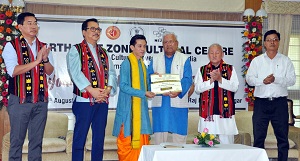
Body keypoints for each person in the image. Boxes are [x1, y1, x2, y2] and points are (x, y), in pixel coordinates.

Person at [2, 12, 54, 161]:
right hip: (19, 101)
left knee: (36, 142)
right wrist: (36, 61)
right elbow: (13, 71)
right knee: (17, 141)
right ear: (20, 27)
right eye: (29, 23)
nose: (33, 26)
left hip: (41, 101)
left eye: (35, 23)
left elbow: (50, 72)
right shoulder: (11, 46)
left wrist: (44, 60)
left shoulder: (43, 46)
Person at [66, 18, 117, 161]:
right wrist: (91, 90)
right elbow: (75, 72)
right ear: (84, 32)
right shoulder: (76, 49)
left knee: (99, 138)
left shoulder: (104, 52)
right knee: (79, 139)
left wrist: (107, 90)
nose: (96, 32)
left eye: (98, 29)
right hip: (84, 101)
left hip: (102, 101)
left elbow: (112, 73)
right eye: (92, 29)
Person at [246, 30, 296, 161]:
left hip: (279, 104)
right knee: (258, 138)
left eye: (275, 40)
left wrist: (276, 79)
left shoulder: (286, 61)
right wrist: (263, 81)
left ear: (278, 42)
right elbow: (249, 80)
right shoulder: (257, 61)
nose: (272, 42)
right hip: (261, 104)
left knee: (282, 138)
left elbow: (292, 80)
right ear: (264, 43)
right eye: (269, 40)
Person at [112, 35, 155, 161]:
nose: (143, 49)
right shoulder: (127, 64)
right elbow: (124, 86)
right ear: (132, 47)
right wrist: (143, 93)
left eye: (144, 46)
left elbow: (147, 85)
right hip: (127, 112)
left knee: (143, 149)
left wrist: (157, 81)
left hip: (141, 112)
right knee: (126, 146)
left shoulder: (143, 65)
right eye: (139, 46)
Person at [148, 32, 193, 145]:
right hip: (160, 105)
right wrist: (153, 79)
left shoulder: (184, 59)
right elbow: (148, 78)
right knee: (159, 140)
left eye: (171, 41)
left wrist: (179, 90)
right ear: (162, 44)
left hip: (179, 105)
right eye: (166, 42)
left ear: (176, 43)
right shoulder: (155, 59)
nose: (169, 44)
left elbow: (187, 79)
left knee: (179, 140)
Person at [194, 43, 239, 144]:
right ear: (208, 55)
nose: (214, 55)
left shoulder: (230, 69)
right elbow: (197, 88)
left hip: (225, 114)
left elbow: (234, 87)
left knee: (226, 145)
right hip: (208, 115)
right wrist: (210, 81)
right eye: (211, 53)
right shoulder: (202, 70)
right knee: (207, 144)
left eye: (217, 53)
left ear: (222, 54)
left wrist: (220, 79)